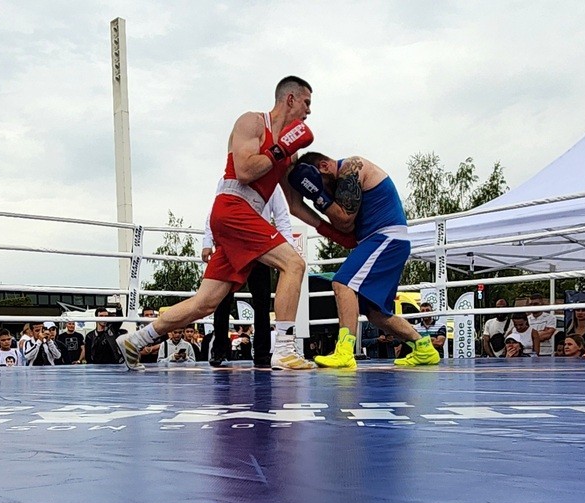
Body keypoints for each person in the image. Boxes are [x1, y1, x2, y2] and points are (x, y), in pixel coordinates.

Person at [123, 76, 320, 371]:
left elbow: (290, 203)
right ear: (290, 99)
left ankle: (137, 339)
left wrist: (330, 228)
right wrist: (280, 148)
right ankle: (284, 349)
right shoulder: (252, 122)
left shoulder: (287, 149)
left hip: (244, 218)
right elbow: (243, 170)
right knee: (293, 264)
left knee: (206, 302)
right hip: (232, 208)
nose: (308, 111)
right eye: (306, 103)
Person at [285, 151, 440, 368]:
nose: (327, 191)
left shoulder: (352, 167)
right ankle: (424, 348)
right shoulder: (336, 179)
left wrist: (318, 195)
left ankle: (345, 352)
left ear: (324, 166)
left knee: (342, 283)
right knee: (376, 313)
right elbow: (295, 207)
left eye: (322, 184)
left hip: (386, 236)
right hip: (378, 240)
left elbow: (345, 221)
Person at [203, 186, 293, 368]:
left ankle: (261, 353)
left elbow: (282, 216)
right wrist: (207, 241)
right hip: (231, 244)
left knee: (262, 301)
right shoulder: (228, 179)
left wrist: (288, 254)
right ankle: (219, 349)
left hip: (259, 246)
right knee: (221, 298)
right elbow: (215, 211)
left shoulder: (272, 184)